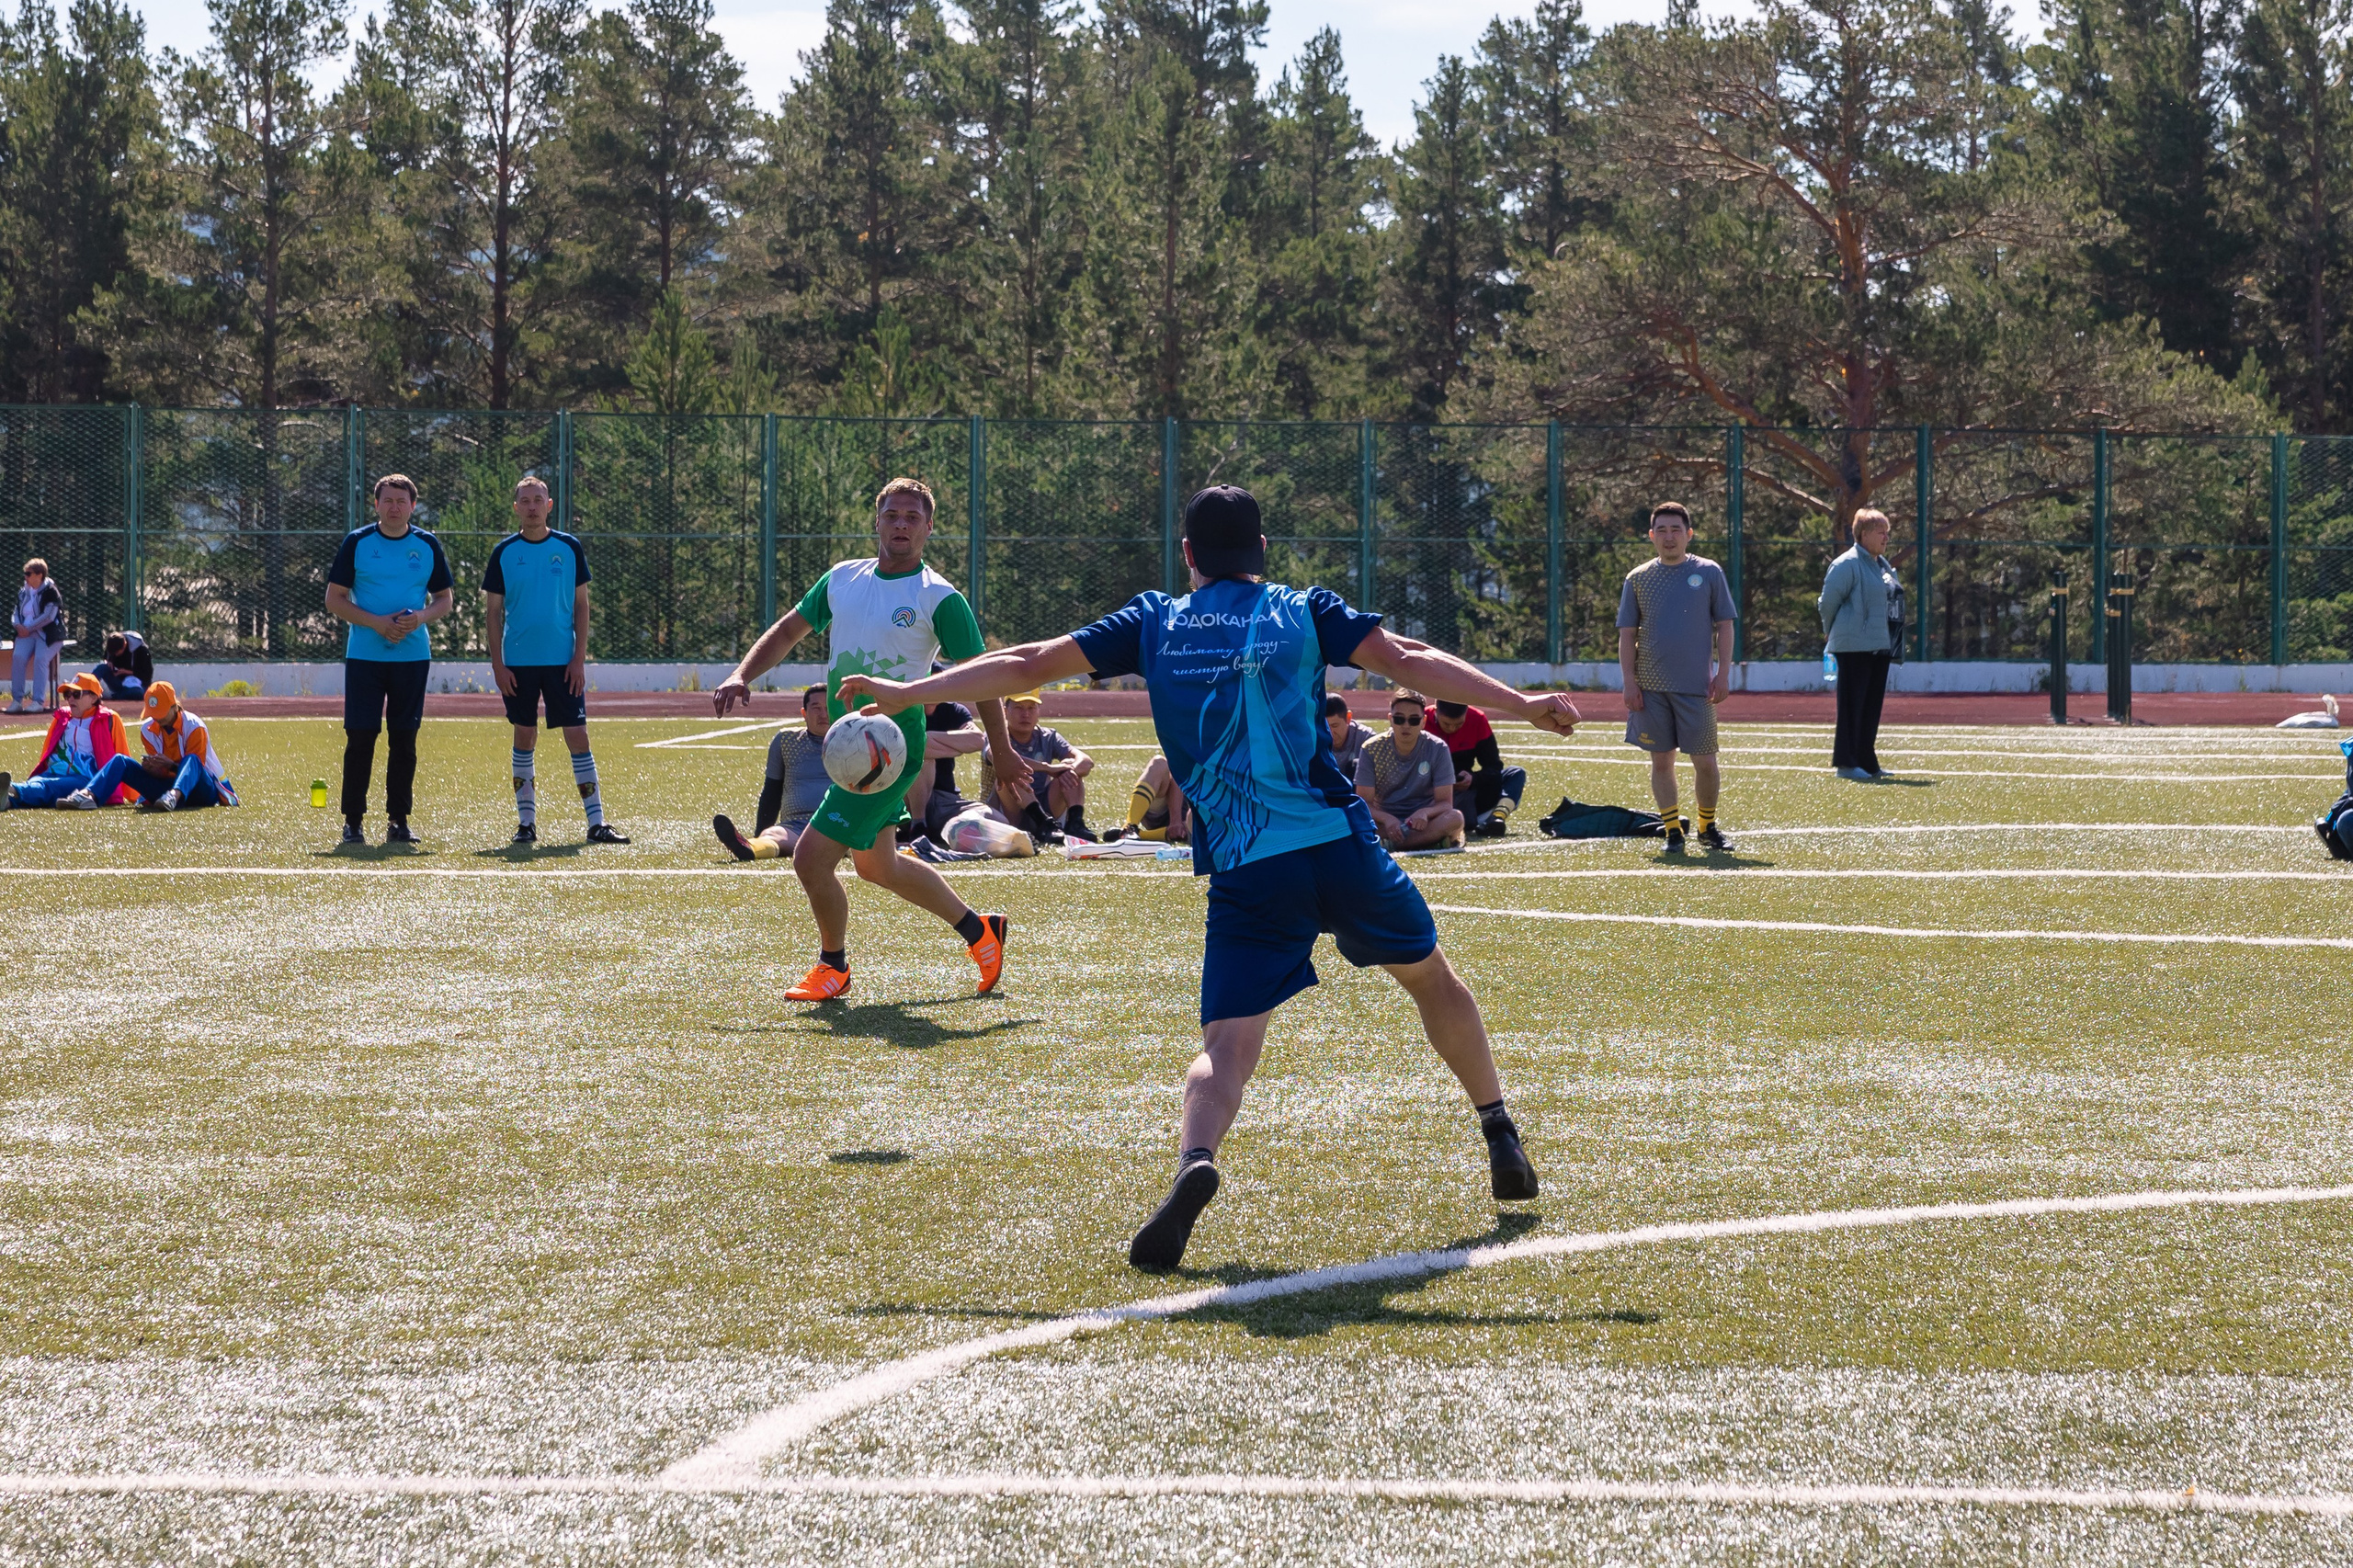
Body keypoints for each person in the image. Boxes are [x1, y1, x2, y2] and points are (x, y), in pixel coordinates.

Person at [838, 484, 1584, 1273]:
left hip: (1245, 866)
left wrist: (910, 691)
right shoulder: (1300, 610)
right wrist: (1523, 702)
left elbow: (1027, 662)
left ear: (1188, 555)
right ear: (1261, 550)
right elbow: (1410, 660)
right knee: (1434, 982)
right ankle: (1498, 1127)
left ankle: (1196, 1161)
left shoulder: (1155, 620)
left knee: (1225, 1045)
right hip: (1336, 843)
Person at [710, 476, 1020, 1002]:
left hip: (890, 749)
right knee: (878, 865)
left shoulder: (940, 597)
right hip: (846, 747)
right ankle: (979, 931)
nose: (901, 525)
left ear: (928, 527)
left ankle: (834, 967)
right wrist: (743, 673)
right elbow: (788, 631)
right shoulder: (842, 579)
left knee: (810, 858)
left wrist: (1004, 747)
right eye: (892, 516)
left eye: (912, 518)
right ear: (876, 521)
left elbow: (982, 675)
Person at [484, 475, 627, 846]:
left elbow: (582, 605)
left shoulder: (568, 547)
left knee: (578, 736)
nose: (531, 506)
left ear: (549, 505)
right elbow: (493, 613)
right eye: (525, 500)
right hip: (517, 663)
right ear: (515, 507)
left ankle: (597, 822)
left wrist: (578, 658)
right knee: (524, 736)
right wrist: (498, 665)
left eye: (538, 500)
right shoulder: (503, 552)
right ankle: (526, 824)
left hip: (563, 662)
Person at [326, 474, 453, 846]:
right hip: (365, 656)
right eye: (388, 500)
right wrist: (377, 624)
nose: (395, 507)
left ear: (413, 506)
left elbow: (444, 599)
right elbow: (334, 599)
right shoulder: (358, 543)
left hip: (412, 657)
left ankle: (399, 820)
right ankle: (353, 822)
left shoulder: (427, 544)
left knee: (404, 739)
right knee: (361, 737)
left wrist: (420, 618)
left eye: (402, 501)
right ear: (376, 504)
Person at [1618, 501, 1736, 853]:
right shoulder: (1637, 578)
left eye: (1676, 530)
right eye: (1663, 530)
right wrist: (1628, 680)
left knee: (1705, 762)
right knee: (1661, 761)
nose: (1670, 537)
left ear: (1689, 534)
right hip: (1650, 688)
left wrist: (1723, 674)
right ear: (1652, 536)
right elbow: (1627, 634)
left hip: (1696, 688)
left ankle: (1707, 826)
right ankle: (1672, 829)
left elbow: (1725, 626)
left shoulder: (1709, 572)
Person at [1819, 507, 1904, 780]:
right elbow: (1827, 602)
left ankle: (1867, 761)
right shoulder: (1847, 564)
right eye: (1881, 532)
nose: (1886, 538)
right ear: (1863, 534)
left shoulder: (1882, 564)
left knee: (1871, 706)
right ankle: (1845, 763)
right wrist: (1829, 631)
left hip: (1879, 645)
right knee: (1852, 705)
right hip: (1853, 645)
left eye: (1887, 533)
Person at [63, 682, 238, 811]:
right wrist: (153, 769)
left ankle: (173, 796)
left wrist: (170, 765)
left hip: (200, 792)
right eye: (153, 714)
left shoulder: (194, 726)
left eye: (161, 713)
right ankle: (88, 795)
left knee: (191, 759)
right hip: (164, 789)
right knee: (120, 761)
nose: (157, 718)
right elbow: (160, 774)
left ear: (174, 706)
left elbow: (197, 769)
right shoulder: (147, 729)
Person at [715, 685, 835, 860]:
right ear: (804, 713)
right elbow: (772, 790)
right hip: (795, 826)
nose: (823, 714)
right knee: (772, 835)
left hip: (839, 822)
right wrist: (759, 833)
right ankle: (750, 847)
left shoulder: (856, 741)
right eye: (816, 708)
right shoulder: (786, 741)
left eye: (828, 708)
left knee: (845, 839)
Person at [0, 674, 133, 809]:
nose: (70, 699)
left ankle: (12, 787)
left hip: (85, 779)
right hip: (52, 772)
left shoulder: (109, 719)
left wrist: (134, 795)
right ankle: (8, 802)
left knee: (48, 788)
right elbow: (48, 750)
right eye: (67, 694)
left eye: (76, 694)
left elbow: (122, 755)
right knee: (40, 785)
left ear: (93, 697)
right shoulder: (62, 717)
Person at [1355, 689, 1465, 851]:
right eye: (1399, 719)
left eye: (1414, 720)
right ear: (1390, 720)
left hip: (1423, 823)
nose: (1406, 725)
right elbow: (1364, 803)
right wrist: (1387, 819)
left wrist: (1425, 813)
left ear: (1423, 721)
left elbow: (1446, 804)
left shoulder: (1438, 748)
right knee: (1350, 819)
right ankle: (1429, 841)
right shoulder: (1371, 748)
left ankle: (1390, 844)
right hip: (1384, 820)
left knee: (1455, 818)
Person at [980, 689, 1096, 842]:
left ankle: (1075, 823)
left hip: (1046, 805)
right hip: (1008, 811)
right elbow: (999, 757)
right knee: (1013, 773)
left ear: (1038, 712)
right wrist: (1049, 768)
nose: (1025, 714)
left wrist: (1068, 769)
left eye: (1031, 708)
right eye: (1019, 708)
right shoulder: (996, 736)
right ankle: (1043, 823)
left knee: (1070, 769)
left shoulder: (1048, 736)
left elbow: (1086, 762)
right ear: (1005, 712)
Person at [1429, 699, 1526, 836]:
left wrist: (1473, 779)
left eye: (1459, 724)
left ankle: (1496, 818)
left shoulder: (1477, 719)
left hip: (1467, 791)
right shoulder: (1419, 721)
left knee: (1516, 773)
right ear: (1435, 710)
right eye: (1446, 723)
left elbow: (1494, 766)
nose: (1451, 729)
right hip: (1431, 796)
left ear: (1467, 712)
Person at [902, 694, 985, 843]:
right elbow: (917, 748)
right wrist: (958, 748)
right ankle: (918, 825)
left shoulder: (953, 710)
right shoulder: (906, 711)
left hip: (944, 799)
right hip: (906, 798)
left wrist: (929, 737)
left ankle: (948, 829)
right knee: (922, 756)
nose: (934, 689)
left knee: (995, 817)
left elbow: (978, 740)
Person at [10, 558, 63, 713]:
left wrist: (30, 628)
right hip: (25, 634)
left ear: (39, 575)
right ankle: (17, 701)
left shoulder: (51, 592)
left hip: (48, 635)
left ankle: (38, 701)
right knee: (18, 657)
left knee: (41, 659)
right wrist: (17, 625)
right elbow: (16, 612)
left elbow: (49, 616)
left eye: (28, 573)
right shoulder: (23, 591)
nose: (25, 577)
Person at [1116, 755, 1189, 842]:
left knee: (1202, 825)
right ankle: (1130, 827)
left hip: (1194, 818)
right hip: (1170, 807)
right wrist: (1176, 821)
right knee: (1159, 763)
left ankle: (1137, 835)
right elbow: (1178, 770)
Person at [1324, 694, 1375, 779]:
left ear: (1348, 718)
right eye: (1325, 727)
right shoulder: (1313, 739)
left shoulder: (1368, 740)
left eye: (1335, 725)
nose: (1330, 732)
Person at [92, 631, 151, 700]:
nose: (115, 655)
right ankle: (86, 688)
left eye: (116, 652)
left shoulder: (142, 650)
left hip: (137, 684)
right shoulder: (112, 645)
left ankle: (118, 695)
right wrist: (108, 663)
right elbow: (105, 659)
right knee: (101, 667)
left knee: (138, 693)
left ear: (124, 645)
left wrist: (126, 672)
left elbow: (146, 674)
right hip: (119, 682)